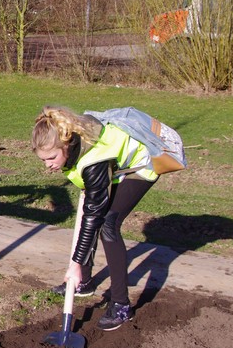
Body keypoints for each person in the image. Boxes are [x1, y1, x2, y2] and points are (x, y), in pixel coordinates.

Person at [32, 105, 162, 331]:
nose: (48, 165)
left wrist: (75, 264)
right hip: (114, 167)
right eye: (43, 160)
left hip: (142, 164)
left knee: (108, 224)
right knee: (94, 217)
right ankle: (85, 282)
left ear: (66, 145)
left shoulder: (94, 162)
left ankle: (121, 305)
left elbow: (93, 217)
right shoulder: (72, 143)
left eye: (51, 158)